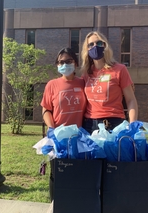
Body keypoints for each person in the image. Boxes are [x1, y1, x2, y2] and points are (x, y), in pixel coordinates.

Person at [40, 47, 87, 201]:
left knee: (77, 174)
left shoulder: (83, 83)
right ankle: (55, 205)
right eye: (61, 62)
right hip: (58, 139)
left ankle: (73, 205)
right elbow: (46, 109)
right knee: (57, 174)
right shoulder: (52, 85)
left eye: (68, 61)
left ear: (75, 63)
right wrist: (52, 128)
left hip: (78, 139)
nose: (64, 64)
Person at [80, 31, 138, 134]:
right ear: (87, 49)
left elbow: (131, 100)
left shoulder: (119, 69)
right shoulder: (86, 73)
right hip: (90, 125)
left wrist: (132, 125)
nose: (95, 46)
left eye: (99, 43)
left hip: (113, 123)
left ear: (105, 46)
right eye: (91, 44)